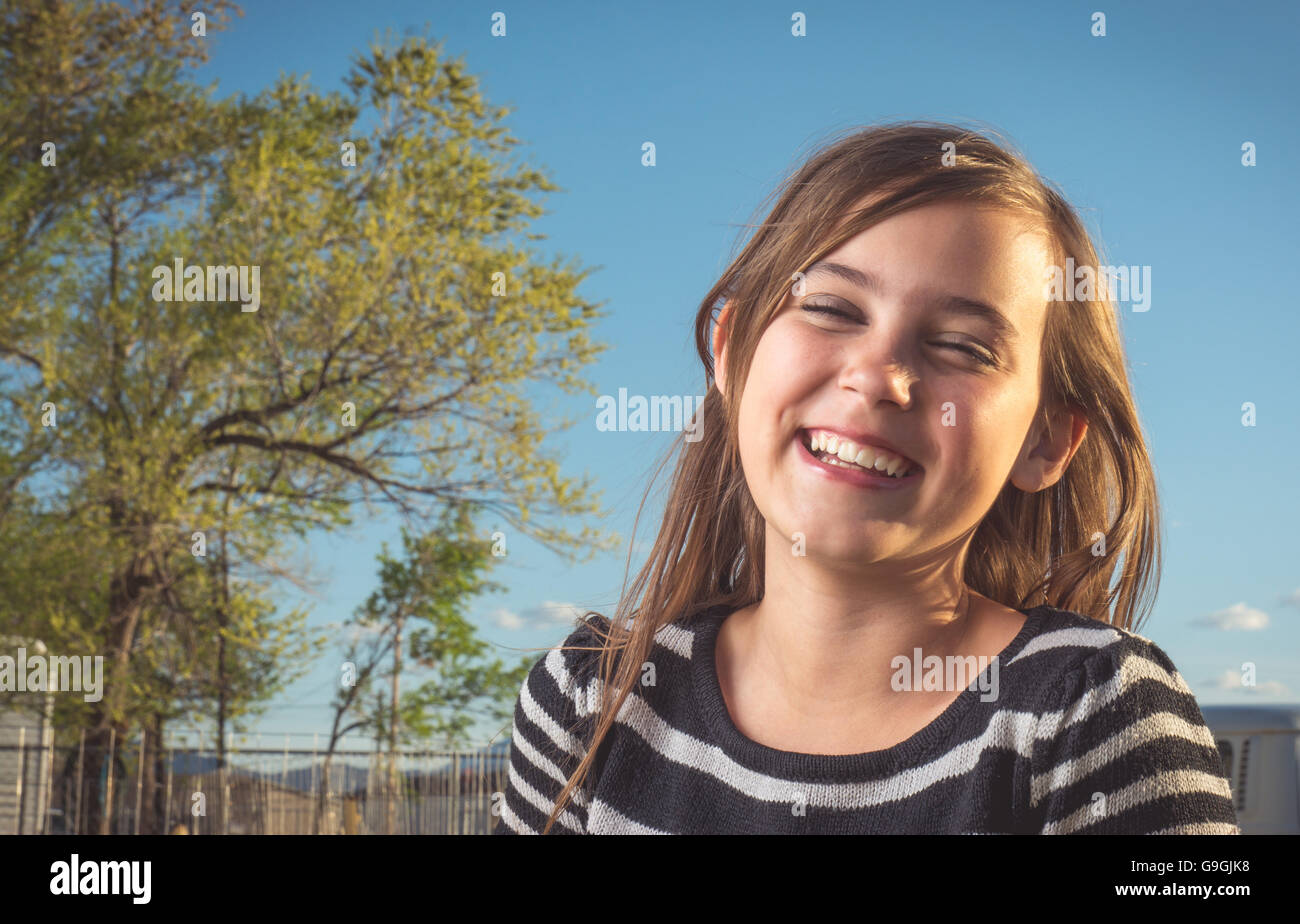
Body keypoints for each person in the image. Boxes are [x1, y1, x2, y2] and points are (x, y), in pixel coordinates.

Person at [493, 121, 1239, 835]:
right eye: (829, 307)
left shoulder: (1097, 719)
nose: (878, 376)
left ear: (1046, 440)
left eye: (962, 347)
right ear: (730, 351)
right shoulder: (590, 702)